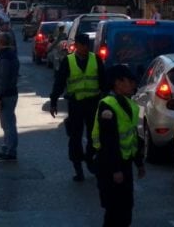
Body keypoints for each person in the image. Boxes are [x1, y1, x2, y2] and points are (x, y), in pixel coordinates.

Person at [92, 64, 146, 227]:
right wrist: (115, 169)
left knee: (126, 208)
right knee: (114, 211)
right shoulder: (107, 106)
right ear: (117, 83)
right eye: (129, 82)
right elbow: (109, 141)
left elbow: (133, 137)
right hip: (109, 165)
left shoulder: (131, 105)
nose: (133, 85)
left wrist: (139, 163)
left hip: (125, 164)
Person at [49, 33, 106, 181]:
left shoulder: (96, 59)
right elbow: (59, 83)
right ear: (77, 46)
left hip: (93, 104)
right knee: (75, 137)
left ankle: (89, 157)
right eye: (82, 45)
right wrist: (53, 101)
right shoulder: (68, 61)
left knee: (95, 136)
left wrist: (105, 100)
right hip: (76, 104)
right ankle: (78, 168)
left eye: (87, 45)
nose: (85, 48)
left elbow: (104, 82)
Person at [0, 32, 20, 161]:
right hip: (10, 92)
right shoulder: (10, 54)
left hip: (7, 94)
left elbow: (3, 77)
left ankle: (10, 151)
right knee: (7, 123)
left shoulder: (5, 56)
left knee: (8, 124)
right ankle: (6, 148)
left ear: (1, 42)